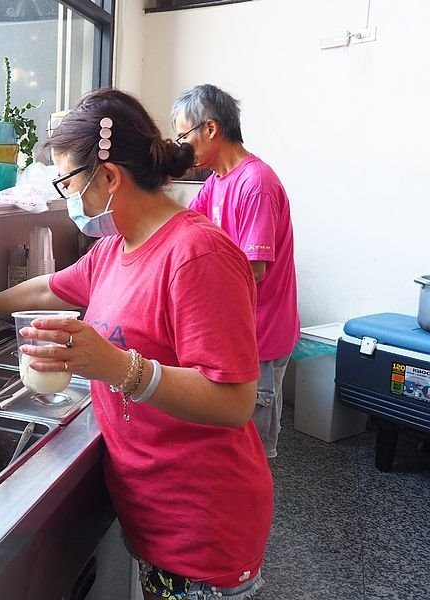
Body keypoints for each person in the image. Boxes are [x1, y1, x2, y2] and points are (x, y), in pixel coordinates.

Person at [0, 88, 273, 600]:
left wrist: (118, 366)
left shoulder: (198, 255)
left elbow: (233, 401)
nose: (68, 197)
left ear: (110, 178)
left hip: (202, 527)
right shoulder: (116, 248)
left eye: (68, 182)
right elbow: (53, 286)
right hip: (154, 513)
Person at [171, 84, 300, 466]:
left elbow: (253, 270)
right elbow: (184, 226)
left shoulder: (255, 183)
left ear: (210, 129)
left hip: (260, 332)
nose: (182, 146)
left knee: (252, 449)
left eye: (183, 135)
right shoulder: (216, 181)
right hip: (234, 328)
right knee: (228, 442)